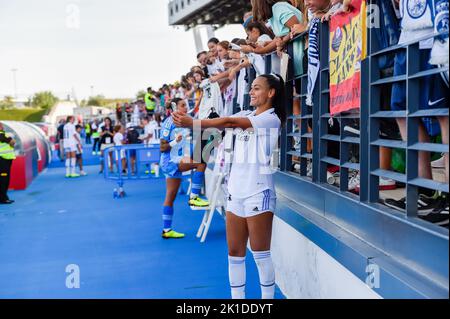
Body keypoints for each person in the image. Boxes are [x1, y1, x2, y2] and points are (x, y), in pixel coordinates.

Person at [173, 74, 285, 299]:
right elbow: (217, 132)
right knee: (234, 253)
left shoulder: (271, 119)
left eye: (257, 88)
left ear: (271, 93)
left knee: (261, 254)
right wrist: (195, 159)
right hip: (235, 192)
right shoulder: (246, 114)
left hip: (258, 192)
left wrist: (192, 123)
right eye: (251, 88)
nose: (251, 92)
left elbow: (228, 123)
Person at [159, 98, 210, 239]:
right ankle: (194, 197)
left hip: (174, 161)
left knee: (171, 196)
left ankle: (166, 230)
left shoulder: (183, 120)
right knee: (200, 163)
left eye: (186, 105)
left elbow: (198, 121)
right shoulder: (169, 123)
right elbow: (162, 147)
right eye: (183, 106)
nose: (186, 108)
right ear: (175, 107)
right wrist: (176, 141)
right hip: (170, 162)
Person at [0, 122, 16, 204]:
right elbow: (13, 142)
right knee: (4, 180)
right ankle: (3, 198)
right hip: (3, 160)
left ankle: (3, 197)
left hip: (4, 160)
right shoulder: (2, 135)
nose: (2, 127)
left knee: (3, 179)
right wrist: (12, 142)